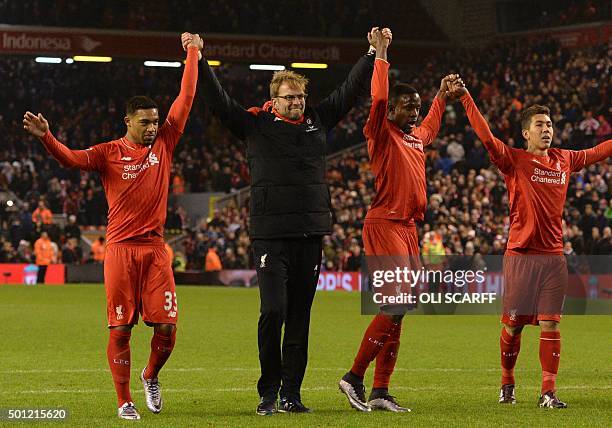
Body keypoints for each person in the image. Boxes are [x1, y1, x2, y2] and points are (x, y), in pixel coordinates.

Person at [185, 29, 376, 415]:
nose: (298, 103)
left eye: (301, 97)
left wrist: (372, 53)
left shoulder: (317, 120)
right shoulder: (255, 125)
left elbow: (350, 91)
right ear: (274, 100)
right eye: (290, 97)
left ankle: (292, 394)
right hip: (271, 236)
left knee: (300, 318)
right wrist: (198, 59)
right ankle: (268, 391)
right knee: (273, 311)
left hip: (310, 234)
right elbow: (218, 102)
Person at [23, 33, 201, 420]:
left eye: (155, 121)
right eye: (145, 122)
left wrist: (193, 52)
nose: (153, 128)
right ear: (128, 122)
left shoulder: (165, 144)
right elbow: (70, 160)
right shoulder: (107, 153)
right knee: (120, 331)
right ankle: (124, 400)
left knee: (167, 330)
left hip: (155, 251)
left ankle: (150, 375)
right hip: (120, 251)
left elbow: (185, 98)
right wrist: (47, 138)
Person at [453, 79, 612, 408]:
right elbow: (485, 135)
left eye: (550, 124)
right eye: (540, 124)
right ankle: (507, 382)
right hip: (521, 256)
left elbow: (599, 151)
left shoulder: (564, 160)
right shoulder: (513, 161)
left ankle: (547, 392)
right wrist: (467, 97)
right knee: (513, 328)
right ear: (526, 133)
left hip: (554, 256)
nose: (547, 129)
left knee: (550, 322)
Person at [337, 28, 459, 412]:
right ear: (391, 110)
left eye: (417, 106)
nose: (414, 111)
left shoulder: (414, 138)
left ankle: (380, 390)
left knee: (400, 311)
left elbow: (430, 126)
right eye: (408, 106)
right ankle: (353, 377)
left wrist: (439, 96)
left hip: (408, 228)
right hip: (384, 223)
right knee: (394, 305)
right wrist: (382, 53)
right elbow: (379, 97)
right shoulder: (381, 131)